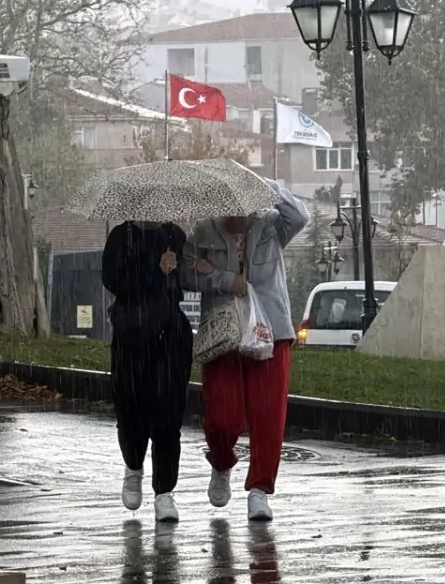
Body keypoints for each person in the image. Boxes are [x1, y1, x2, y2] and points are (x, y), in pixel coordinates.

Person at [182, 179, 307, 522]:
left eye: (243, 202)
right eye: (228, 204)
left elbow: (300, 217)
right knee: (222, 414)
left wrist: (269, 186)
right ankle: (222, 462)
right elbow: (184, 276)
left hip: (271, 329)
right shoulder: (204, 231)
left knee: (268, 415)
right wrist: (223, 279)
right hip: (225, 333)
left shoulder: (270, 224)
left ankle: (259, 490)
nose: (236, 212)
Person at [101, 220, 194, 523]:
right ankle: (133, 465)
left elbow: (187, 280)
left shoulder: (174, 235)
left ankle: (164, 491)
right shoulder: (121, 236)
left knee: (169, 415)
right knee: (131, 410)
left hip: (170, 337)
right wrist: (155, 271)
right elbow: (114, 280)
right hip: (132, 336)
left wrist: (184, 268)